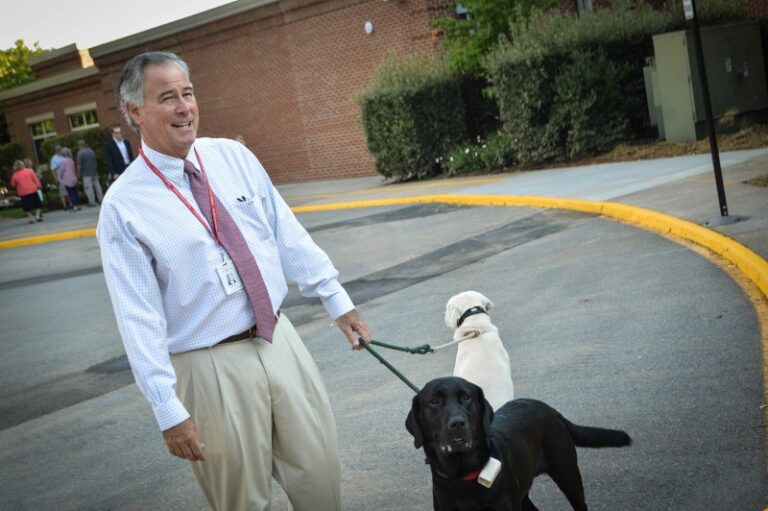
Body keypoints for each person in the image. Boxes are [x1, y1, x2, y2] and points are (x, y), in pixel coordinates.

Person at [97, 51, 372, 511]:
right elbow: (138, 319)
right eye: (167, 98)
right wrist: (168, 408)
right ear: (135, 112)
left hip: (279, 340)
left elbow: (286, 232)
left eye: (188, 92)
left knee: (322, 480)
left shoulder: (233, 157)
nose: (185, 107)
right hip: (208, 368)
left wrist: (336, 300)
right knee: (243, 502)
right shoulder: (124, 207)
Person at [76, 140, 103, 206]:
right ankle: (101, 200)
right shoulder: (91, 151)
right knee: (97, 186)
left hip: (86, 173)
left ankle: (92, 202)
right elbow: (95, 161)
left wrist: (78, 174)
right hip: (94, 172)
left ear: (80, 145)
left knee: (88, 188)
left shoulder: (80, 153)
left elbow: (79, 165)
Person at [50, 145, 72, 210]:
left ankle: (71, 204)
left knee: (68, 191)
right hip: (61, 177)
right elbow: (53, 169)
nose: (59, 150)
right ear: (55, 150)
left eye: (60, 149)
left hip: (68, 176)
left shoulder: (64, 156)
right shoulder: (54, 158)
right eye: (57, 149)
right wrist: (56, 178)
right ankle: (65, 205)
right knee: (62, 192)